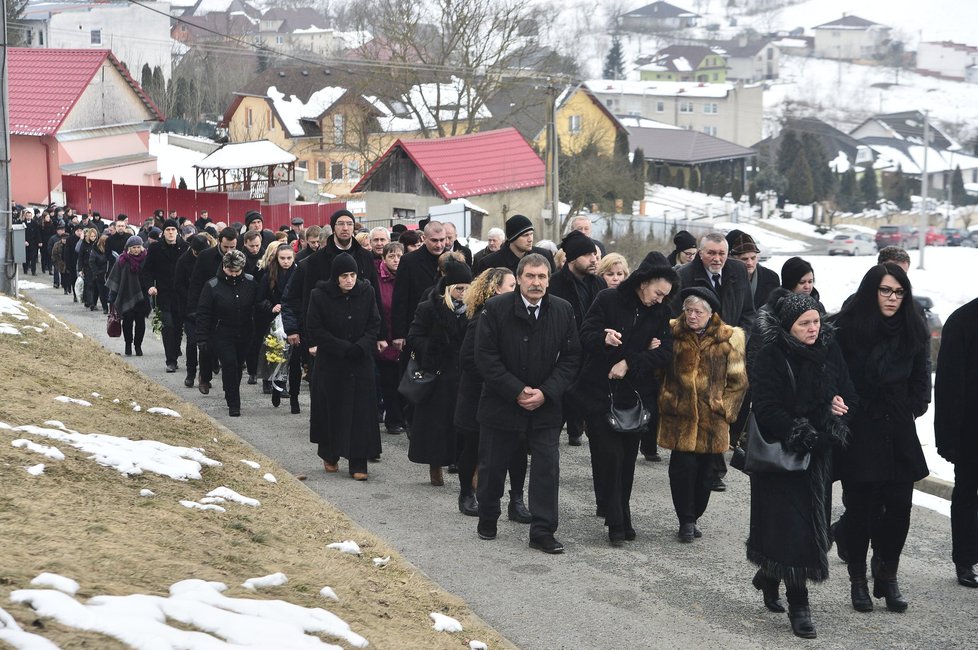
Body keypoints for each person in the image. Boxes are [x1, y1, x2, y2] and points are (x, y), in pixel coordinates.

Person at [748, 289, 855, 639]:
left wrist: (838, 404)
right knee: (793, 530)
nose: (812, 328)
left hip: (820, 455)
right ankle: (799, 605)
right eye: (804, 323)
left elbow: (846, 391)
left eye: (816, 321)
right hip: (784, 455)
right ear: (787, 326)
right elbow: (766, 408)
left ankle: (769, 572)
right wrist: (800, 431)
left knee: (815, 527)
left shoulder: (828, 349)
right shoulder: (771, 356)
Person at [831, 263, 930, 613]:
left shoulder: (912, 327)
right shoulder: (846, 327)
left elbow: (921, 376)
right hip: (861, 428)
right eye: (886, 290)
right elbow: (833, 373)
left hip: (899, 428)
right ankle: (858, 579)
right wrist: (843, 406)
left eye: (899, 292)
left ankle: (888, 576)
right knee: (859, 510)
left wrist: (915, 406)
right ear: (872, 290)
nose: (892, 298)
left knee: (900, 508)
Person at [474, 253, 581, 554]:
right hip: (501, 403)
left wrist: (546, 392)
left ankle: (543, 531)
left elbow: (572, 358)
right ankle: (488, 516)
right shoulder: (495, 309)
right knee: (493, 466)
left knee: (547, 468)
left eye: (542, 277)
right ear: (519, 278)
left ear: (549, 279)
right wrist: (517, 390)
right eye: (531, 276)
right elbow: (485, 358)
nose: (537, 282)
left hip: (545, 406)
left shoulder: (563, 310)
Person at [573, 252, 677, 545]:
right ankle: (618, 522)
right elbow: (585, 334)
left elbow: (666, 351)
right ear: (644, 283)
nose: (660, 299)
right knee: (611, 458)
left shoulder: (660, 311)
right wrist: (603, 339)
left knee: (627, 461)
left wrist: (631, 361)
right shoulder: (608, 299)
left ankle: (620, 513)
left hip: (634, 396)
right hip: (598, 393)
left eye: (666, 295)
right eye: (658, 292)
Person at [659, 287, 747, 542]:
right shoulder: (672, 333)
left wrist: (724, 409)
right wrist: (668, 398)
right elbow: (658, 371)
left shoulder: (728, 339)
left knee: (707, 474)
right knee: (681, 470)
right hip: (680, 416)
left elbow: (739, 381)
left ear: (710, 314)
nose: (692, 316)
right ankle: (685, 520)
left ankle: (695, 515)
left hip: (712, 419)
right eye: (689, 311)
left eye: (698, 312)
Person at [673, 232, 756, 493]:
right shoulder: (684, 274)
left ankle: (714, 465)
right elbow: (676, 316)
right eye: (711, 253)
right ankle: (712, 469)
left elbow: (748, 313)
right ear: (700, 253)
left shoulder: (738, 271)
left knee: (723, 409)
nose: (717, 258)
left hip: (729, 351)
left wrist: (737, 338)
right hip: (696, 353)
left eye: (721, 253)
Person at [455, 267, 526, 518]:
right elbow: (468, 360)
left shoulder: (518, 315)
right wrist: (500, 379)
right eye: (510, 286)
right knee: (473, 448)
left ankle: (516, 500)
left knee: (518, 449)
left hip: (510, 394)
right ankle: (466, 494)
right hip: (479, 395)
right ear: (496, 289)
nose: (516, 290)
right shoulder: (483, 316)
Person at [305, 252, 382, 480]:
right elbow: (315, 328)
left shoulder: (366, 291)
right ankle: (330, 453)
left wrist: (361, 346)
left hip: (360, 360)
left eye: (353, 275)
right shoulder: (319, 295)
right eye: (344, 276)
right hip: (332, 362)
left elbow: (374, 323)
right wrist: (341, 347)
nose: (349, 280)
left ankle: (358, 461)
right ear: (335, 277)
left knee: (361, 411)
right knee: (331, 408)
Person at [407, 260, 473, 485]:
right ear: (447, 288)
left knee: (467, 427)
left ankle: (468, 469)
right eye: (458, 288)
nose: (463, 293)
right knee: (436, 426)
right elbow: (414, 338)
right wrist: (435, 346)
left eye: (467, 288)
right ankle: (435, 466)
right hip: (438, 374)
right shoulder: (429, 308)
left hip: (465, 376)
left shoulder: (475, 310)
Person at [934, 296, 978, 589]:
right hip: (970, 430)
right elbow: (948, 384)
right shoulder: (963, 321)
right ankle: (965, 559)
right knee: (966, 493)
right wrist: (947, 438)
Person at [195, 250, 259, 417]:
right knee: (229, 364)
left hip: (245, 331)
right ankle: (234, 403)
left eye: (237, 272)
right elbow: (203, 313)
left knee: (237, 365)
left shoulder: (251, 283)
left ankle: (231, 388)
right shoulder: (212, 285)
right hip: (222, 331)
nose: (233, 275)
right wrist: (202, 337)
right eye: (230, 271)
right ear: (223, 267)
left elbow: (257, 305)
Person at [257, 243, 301, 412]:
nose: (286, 261)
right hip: (274, 322)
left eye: (289, 258)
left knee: (295, 360)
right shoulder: (269, 274)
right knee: (277, 357)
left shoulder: (299, 273)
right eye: (282, 258)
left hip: (295, 320)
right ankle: (276, 386)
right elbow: (260, 299)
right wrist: (272, 306)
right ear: (276, 258)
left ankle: (293, 397)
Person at [143, 219, 189, 373]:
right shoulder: (155, 248)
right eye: (168, 229)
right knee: (167, 326)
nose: (171, 232)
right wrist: (150, 285)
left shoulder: (185, 247)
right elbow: (147, 270)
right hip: (163, 293)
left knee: (178, 327)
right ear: (164, 232)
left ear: (178, 232)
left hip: (181, 294)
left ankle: (175, 352)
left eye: (173, 230)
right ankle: (170, 360)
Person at [175, 234, 212, 388]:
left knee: (207, 344)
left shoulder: (209, 259)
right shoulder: (183, 261)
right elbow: (179, 285)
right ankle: (191, 372)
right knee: (191, 343)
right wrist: (189, 304)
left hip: (209, 307)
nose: (199, 255)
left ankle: (204, 374)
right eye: (197, 253)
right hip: (190, 308)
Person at [376, 242, 405, 434]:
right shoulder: (378, 279)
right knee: (388, 382)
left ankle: (402, 418)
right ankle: (392, 420)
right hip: (384, 337)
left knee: (403, 380)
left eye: (399, 256)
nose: (396, 260)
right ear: (384, 259)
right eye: (392, 256)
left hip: (403, 338)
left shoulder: (405, 276)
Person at [106, 236, 151, 357]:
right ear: (128, 248)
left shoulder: (146, 259)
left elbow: (151, 275)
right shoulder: (122, 260)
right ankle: (128, 344)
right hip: (125, 295)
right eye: (133, 248)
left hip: (142, 295)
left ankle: (138, 345)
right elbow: (115, 278)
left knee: (140, 322)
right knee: (127, 322)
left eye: (138, 247)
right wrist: (112, 298)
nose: (136, 250)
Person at [472, 214, 556, 275]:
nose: (530, 239)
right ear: (513, 238)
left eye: (531, 234)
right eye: (525, 235)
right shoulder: (489, 263)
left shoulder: (545, 256)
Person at [726, 230, 779, 310]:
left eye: (753, 258)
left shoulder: (771, 278)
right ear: (731, 259)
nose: (750, 263)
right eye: (744, 259)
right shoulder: (723, 279)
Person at [87, 234, 110, 314]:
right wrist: (96, 272)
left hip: (107, 273)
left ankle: (93, 303)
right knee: (101, 291)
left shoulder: (108, 251)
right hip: (99, 274)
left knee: (98, 290)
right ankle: (105, 307)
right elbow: (92, 262)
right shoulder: (95, 250)